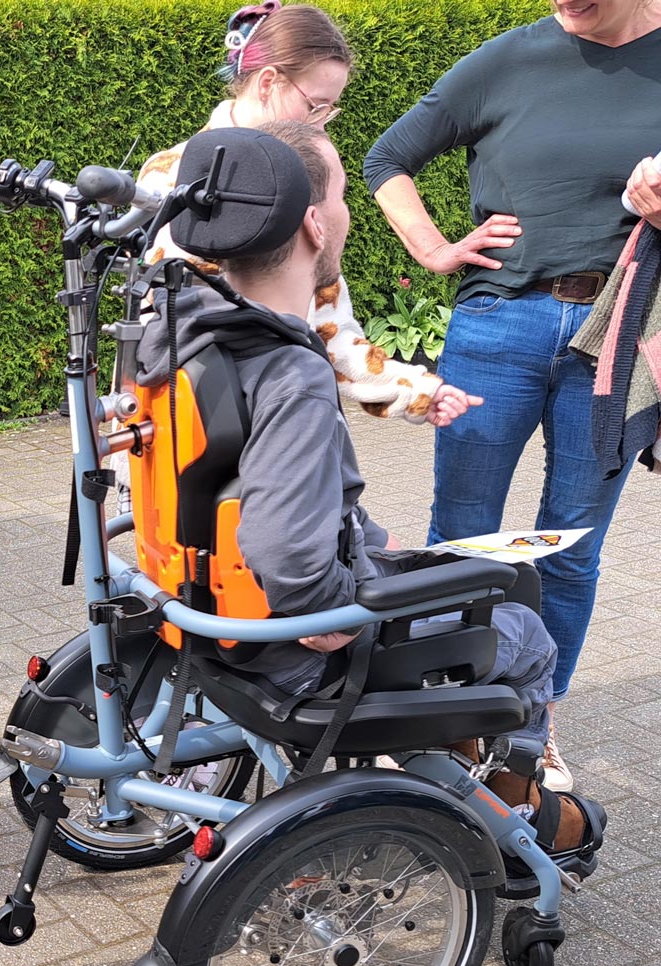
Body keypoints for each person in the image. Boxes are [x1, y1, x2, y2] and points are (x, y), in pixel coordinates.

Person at [139, 121, 603, 859]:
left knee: (493, 576)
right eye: (346, 195)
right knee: (523, 626)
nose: (349, 211)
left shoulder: (182, 330)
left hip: (205, 616)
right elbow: (286, 555)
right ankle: (527, 826)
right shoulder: (289, 373)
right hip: (296, 650)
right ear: (314, 223)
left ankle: (454, 762)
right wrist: (337, 610)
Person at [364, 0, 661, 793]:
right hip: (499, 325)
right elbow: (386, 158)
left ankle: (534, 726)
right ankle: (444, 710)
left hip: (619, 336)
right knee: (462, 535)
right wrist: (435, 248)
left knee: (573, 547)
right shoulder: (507, 59)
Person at [131, 2, 481, 427]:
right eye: (315, 105)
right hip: (184, 425)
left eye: (329, 110)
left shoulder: (301, 175)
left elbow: (329, 326)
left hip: (281, 414)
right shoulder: (174, 175)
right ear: (267, 83)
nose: (320, 126)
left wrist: (419, 391)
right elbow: (166, 321)